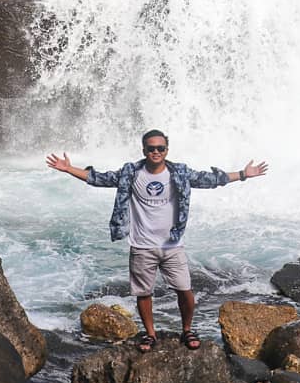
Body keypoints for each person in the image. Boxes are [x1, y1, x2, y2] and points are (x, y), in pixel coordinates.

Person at [46, 129, 268, 352]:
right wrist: (68, 169)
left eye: (160, 148)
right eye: (151, 148)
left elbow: (210, 180)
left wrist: (242, 174)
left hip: (172, 244)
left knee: (185, 290)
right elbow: (98, 178)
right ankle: (150, 335)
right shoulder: (130, 172)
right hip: (142, 244)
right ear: (144, 150)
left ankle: (187, 329)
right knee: (144, 293)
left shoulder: (178, 172)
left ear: (166, 150)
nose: (156, 152)